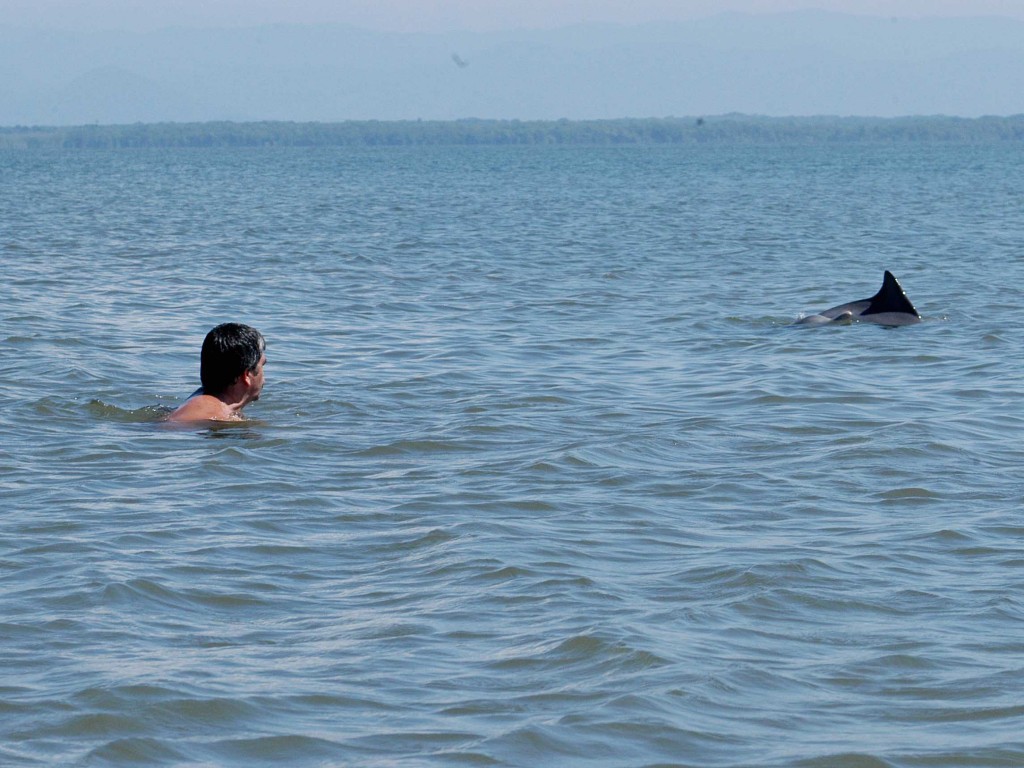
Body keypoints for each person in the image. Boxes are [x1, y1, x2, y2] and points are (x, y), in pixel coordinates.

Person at [167, 323, 266, 423]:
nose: (264, 379)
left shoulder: (203, 399)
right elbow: (172, 428)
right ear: (246, 375)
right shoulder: (213, 414)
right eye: (262, 365)